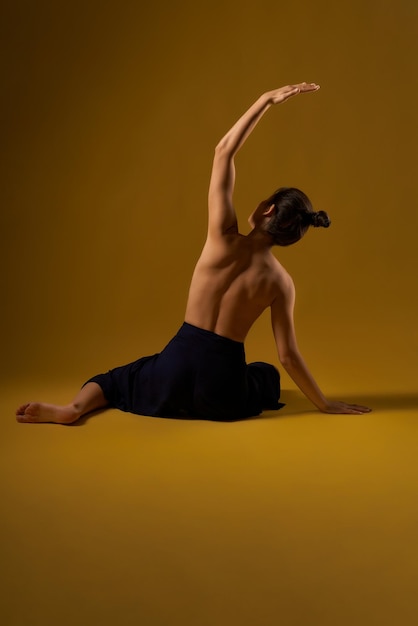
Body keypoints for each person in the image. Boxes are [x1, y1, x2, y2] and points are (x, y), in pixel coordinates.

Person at [16, 82, 371, 424]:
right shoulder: (281, 283)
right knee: (266, 375)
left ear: (267, 209)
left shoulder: (222, 238)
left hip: (174, 369)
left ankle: (73, 409)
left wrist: (266, 100)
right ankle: (224, 396)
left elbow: (223, 152)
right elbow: (288, 356)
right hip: (223, 391)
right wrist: (324, 404)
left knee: (117, 379)